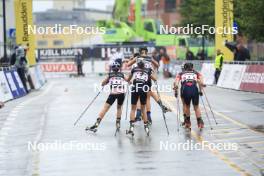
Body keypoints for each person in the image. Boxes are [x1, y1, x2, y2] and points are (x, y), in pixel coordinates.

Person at [127, 47, 170, 124]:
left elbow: (128, 65)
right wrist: (152, 63)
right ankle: (149, 116)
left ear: (140, 52)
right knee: (148, 97)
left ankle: (139, 114)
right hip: (148, 78)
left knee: (140, 97)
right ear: (146, 52)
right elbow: (157, 65)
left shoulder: (137, 58)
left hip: (139, 79)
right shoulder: (149, 58)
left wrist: (131, 59)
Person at [86, 62, 128, 133]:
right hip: (121, 94)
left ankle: (96, 124)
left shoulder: (110, 75)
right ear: (119, 68)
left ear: (112, 68)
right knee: (119, 107)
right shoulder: (122, 74)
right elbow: (129, 80)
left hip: (113, 94)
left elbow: (103, 83)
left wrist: (106, 82)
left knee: (105, 108)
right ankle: (118, 123)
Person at [126, 58, 157, 136]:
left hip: (135, 89)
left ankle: (131, 128)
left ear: (137, 65)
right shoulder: (148, 70)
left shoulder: (134, 69)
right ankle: (146, 127)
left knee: (133, 109)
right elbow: (155, 79)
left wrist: (129, 81)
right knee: (143, 109)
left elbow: (128, 79)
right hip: (143, 89)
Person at [173, 63, 205, 129]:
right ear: (192, 67)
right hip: (194, 89)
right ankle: (199, 122)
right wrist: (200, 90)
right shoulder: (196, 73)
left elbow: (176, 82)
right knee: (196, 107)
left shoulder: (181, 73)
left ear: (184, 68)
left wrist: (176, 89)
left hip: (185, 89)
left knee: (186, 106)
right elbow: (201, 81)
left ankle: (187, 122)